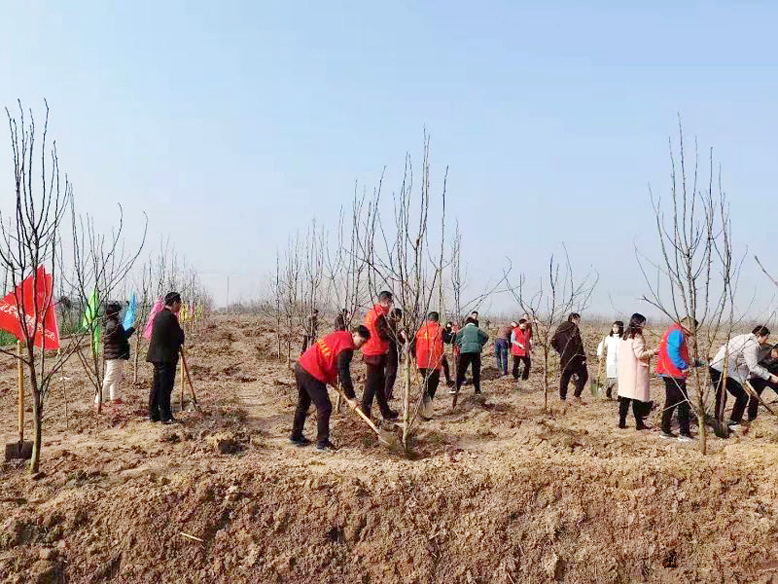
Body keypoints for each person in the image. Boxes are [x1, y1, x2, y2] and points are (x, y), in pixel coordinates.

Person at [291, 326, 371, 451]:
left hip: (301, 366)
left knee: (303, 403)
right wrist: (351, 397)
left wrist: (331, 376)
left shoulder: (341, 335)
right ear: (354, 334)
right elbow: (343, 371)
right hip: (312, 371)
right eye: (361, 341)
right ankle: (322, 443)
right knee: (325, 407)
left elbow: (330, 355)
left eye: (364, 343)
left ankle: (295, 436)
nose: (361, 346)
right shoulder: (347, 348)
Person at [709, 325, 778, 432]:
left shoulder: (742, 337)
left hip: (720, 368)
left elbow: (742, 362)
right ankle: (726, 423)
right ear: (759, 335)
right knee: (737, 395)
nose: (766, 340)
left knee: (725, 396)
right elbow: (753, 366)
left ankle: (723, 421)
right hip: (721, 369)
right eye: (766, 337)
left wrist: (743, 378)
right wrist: (769, 377)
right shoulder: (752, 345)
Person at [656, 317, 701, 441]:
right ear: (689, 326)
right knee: (683, 403)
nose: (693, 332)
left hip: (668, 371)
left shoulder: (673, 330)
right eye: (693, 329)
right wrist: (683, 366)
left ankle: (665, 430)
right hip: (673, 372)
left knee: (671, 402)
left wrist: (695, 363)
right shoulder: (677, 332)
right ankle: (684, 433)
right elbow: (673, 351)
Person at [146, 292, 185, 424]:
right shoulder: (170, 317)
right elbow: (178, 337)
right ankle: (165, 416)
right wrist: (181, 333)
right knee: (165, 387)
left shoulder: (159, 315)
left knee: (157, 385)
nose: (180, 305)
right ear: (174, 303)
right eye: (179, 303)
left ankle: (153, 414)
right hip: (166, 357)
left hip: (157, 356)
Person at [360, 291, 399, 420]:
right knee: (371, 385)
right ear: (386, 301)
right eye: (390, 303)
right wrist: (398, 336)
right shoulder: (379, 315)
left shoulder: (373, 312)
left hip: (372, 352)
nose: (390, 306)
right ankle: (365, 413)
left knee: (379, 385)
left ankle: (385, 412)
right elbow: (383, 334)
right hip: (374, 354)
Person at [617, 313, 657, 430]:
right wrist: (653, 352)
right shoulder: (637, 337)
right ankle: (639, 424)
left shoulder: (625, 336)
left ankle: (622, 422)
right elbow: (640, 354)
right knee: (637, 399)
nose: (644, 325)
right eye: (643, 323)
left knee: (625, 398)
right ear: (638, 323)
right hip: (636, 372)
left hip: (626, 371)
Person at [96, 302, 135, 408]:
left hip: (116, 354)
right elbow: (123, 337)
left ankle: (115, 397)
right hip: (115, 355)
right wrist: (132, 328)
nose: (120, 314)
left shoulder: (112, 324)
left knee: (116, 376)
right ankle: (99, 401)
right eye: (119, 312)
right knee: (109, 377)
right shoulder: (114, 325)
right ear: (115, 313)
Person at [411, 312, 445, 420]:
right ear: (437, 320)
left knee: (426, 384)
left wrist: (413, 358)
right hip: (433, 362)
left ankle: (422, 409)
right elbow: (450, 339)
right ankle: (424, 411)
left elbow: (412, 344)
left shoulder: (420, 330)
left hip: (421, 362)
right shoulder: (440, 329)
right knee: (431, 387)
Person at [551, 313, 588, 402]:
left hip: (564, 357)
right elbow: (578, 344)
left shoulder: (561, 327)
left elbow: (553, 341)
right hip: (575, 358)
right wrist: (583, 358)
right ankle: (577, 395)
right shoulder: (574, 328)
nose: (579, 323)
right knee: (584, 375)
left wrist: (560, 351)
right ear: (574, 319)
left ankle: (562, 398)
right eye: (578, 320)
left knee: (565, 377)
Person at [454, 317, 489, 396]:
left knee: (461, 371)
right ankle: (477, 390)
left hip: (465, 352)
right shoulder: (477, 329)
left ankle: (456, 389)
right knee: (476, 371)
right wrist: (480, 344)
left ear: (466, 323)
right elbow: (486, 336)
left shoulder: (463, 330)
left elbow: (456, 338)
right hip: (476, 352)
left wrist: (461, 345)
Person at [748, 344, 778, 421]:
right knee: (754, 397)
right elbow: (752, 366)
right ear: (774, 350)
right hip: (758, 377)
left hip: (773, 377)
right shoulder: (762, 351)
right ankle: (752, 418)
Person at [596, 321, 623, 399]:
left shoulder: (623, 338)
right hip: (611, 361)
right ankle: (609, 389)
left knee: (620, 378)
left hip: (621, 361)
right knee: (613, 378)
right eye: (613, 327)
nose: (614, 329)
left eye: (616, 327)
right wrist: (600, 354)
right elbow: (601, 346)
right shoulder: (609, 338)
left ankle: (620, 395)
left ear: (620, 328)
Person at [384, 308, 406, 401]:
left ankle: (387, 393)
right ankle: (387, 394)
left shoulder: (392, 325)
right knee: (390, 373)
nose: (400, 319)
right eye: (400, 316)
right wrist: (400, 335)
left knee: (389, 373)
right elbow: (392, 339)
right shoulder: (390, 325)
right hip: (390, 352)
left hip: (391, 352)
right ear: (397, 316)